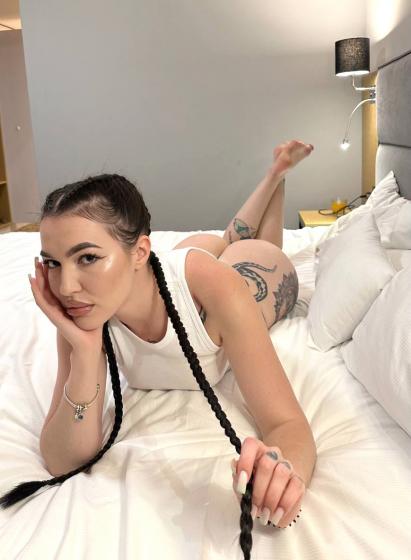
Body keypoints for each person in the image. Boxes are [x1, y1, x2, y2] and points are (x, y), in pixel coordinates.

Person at [0, 139, 317, 559]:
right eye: (54, 263)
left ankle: (277, 176)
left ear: (140, 252)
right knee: (222, 239)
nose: (66, 286)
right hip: (171, 272)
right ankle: (273, 176)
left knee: (253, 247)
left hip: (249, 283)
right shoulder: (82, 312)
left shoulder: (216, 287)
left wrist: (282, 470)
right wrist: (85, 352)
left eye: (87, 258)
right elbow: (63, 460)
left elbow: (287, 424)